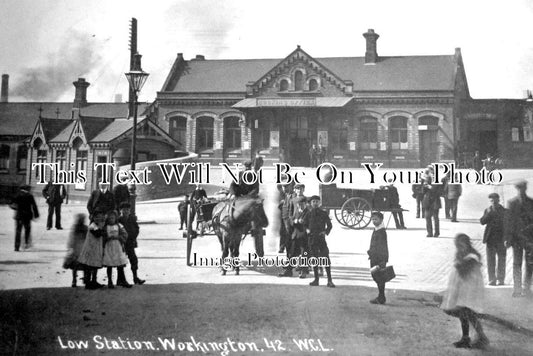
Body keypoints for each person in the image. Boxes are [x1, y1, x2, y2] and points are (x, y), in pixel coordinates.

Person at [441, 233, 489, 349]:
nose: (460, 248)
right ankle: (467, 338)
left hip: (469, 291)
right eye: (458, 245)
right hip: (462, 290)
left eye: (462, 245)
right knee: (465, 314)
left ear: (467, 244)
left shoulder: (472, 257)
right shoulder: (463, 255)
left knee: (468, 314)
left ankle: (479, 337)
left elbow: (464, 271)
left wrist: (459, 265)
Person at [504, 180, 533, 297]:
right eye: (519, 189)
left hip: (529, 238)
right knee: (517, 264)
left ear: (526, 189)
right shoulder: (511, 203)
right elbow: (508, 222)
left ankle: (526, 288)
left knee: (530, 264)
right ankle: (517, 289)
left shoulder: (531, 202)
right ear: (517, 189)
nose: (521, 191)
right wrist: (507, 238)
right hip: (516, 238)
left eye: (523, 188)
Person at [303, 195, 334, 287]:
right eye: (313, 202)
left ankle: (330, 280)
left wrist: (325, 232)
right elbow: (304, 224)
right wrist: (307, 230)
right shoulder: (308, 214)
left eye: (317, 201)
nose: (315, 203)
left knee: (326, 258)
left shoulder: (324, 213)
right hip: (312, 239)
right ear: (311, 203)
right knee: (314, 259)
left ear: (319, 203)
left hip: (321, 239)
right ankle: (316, 280)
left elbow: (329, 225)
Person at [480, 193, 506, 286]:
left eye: (495, 200)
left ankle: (501, 279)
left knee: (501, 260)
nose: (494, 202)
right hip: (490, 239)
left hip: (501, 239)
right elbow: (482, 222)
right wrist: (488, 214)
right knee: (490, 260)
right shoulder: (488, 210)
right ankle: (492, 279)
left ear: (499, 200)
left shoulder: (504, 211)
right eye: (491, 201)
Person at [102, 210, 131, 289]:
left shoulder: (119, 226)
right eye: (110, 218)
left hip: (117, 246)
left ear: (116, 218)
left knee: (120, 263)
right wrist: (107, 238)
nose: (111, 220)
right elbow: (102, 236)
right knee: (109, 264)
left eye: (113, 218)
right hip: (109, 246)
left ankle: (122, 280)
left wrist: (118, 237)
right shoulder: (105, 227)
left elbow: (125, 234)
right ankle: (110, 281)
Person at [78, 209, 106, 289]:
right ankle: (88, 282)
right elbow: (98, 234)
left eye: (101, 217)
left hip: (96, 249)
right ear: (93, 218)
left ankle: (94, 281)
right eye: (97, 217)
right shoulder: (92, 226)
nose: (99, 219)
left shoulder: (98, 226)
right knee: (90, 266)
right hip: (90, 249)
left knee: (95, 265)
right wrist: (102, 227)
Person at [119, 202, 145, 285]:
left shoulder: (132, 219)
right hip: (122, 243)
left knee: (133, 259)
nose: (126, 211)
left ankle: (135, 277)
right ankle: (121, 279)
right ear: (121, 211)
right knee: (121, 261)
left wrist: (133, 237)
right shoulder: (119, 220)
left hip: (130, 242)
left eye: (127, 210)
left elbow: (137, 228)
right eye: (124, 210)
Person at [368, 212, 389, 304]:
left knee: (378, 277)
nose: (374, 221)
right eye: (372, 219)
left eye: (376, 219)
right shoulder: (377, 229)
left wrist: (383, 260)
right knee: (376, 276)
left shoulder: (381, 232)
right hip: (374, 257)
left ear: (381, 220)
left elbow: (383, 247)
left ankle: (381, 297)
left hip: (379, 259)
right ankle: (381, 296)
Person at [11, 184, 39, 251]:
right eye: (29, 189)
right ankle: (26, 244)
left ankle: (16, 247)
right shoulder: (29, 196)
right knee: (27, 230)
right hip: (27, 216)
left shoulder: (17, 195)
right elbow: (34, 206)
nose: (30, 190)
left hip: (19, 216)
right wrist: (36, 214)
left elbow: (12, 204)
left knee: (18, 231)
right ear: (27, 189)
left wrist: (16, 209)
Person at [63, 214, 88, 287]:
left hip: (81, 248)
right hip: (77, 248)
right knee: (77, 265)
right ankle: (76, 279)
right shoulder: (78, 228)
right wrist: (70, 247)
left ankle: (77, 279)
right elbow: (71, 238)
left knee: (80, 265)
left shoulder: (82, 228)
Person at [422, 167, 442, 237]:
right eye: (431, 173)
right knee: (427, 217)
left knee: (436, 218)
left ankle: (437, 233)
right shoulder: (426, 181)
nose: (432, 174)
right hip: (428, 202)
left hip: (435, 202)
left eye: (433, 173)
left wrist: (431, 188)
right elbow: (423, 192)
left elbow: (440, 192)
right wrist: (425, 186)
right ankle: (429, 233)